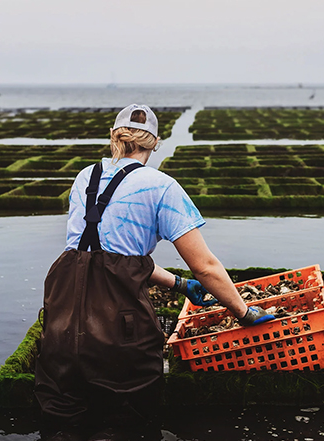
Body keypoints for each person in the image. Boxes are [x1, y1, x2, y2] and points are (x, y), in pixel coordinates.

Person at [34, 104, 274, 441]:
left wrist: (177, 283)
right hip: (118, 341)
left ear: (114, 136)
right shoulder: (161, 186)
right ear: (156, 142)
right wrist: (243, 311)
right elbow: (204, 266)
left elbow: (103, 254)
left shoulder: (84, 178)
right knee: (127, 427)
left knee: (63, 426)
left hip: (61, 329)